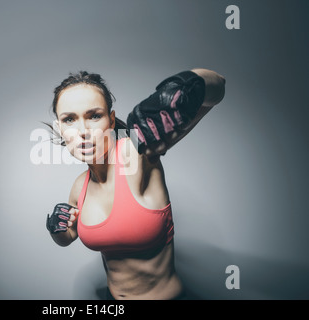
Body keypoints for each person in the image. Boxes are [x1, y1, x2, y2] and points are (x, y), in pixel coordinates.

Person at [45, 69, 226, 300]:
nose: (82, 131)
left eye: (94, 116)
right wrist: (57, 229)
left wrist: (188, 85)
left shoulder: (136, 155)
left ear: (111, 120)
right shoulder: (79, 186)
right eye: (69, 119)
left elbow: (218, 87)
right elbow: (68, 236)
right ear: (60, 128)